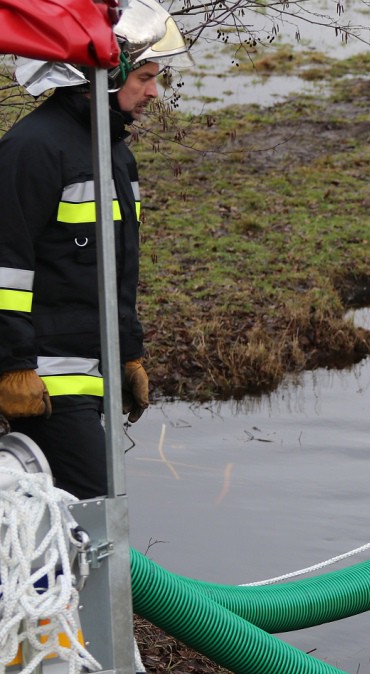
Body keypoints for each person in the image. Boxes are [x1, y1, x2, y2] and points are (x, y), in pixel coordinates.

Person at [0, 0, 192, 499]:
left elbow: (113, 273)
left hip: (89, 371)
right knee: (98, 511)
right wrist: (12, 367)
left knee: (92, 519)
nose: (153, 92)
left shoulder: (114, 153)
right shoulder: (34, 150)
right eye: (145, 78)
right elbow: (5, 266)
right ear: (104, 78)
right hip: (42, 379)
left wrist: (128, 354)